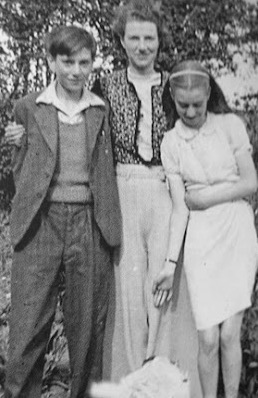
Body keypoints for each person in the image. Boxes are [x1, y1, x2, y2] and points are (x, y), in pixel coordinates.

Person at [4, 25, 121, 398]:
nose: (75, 70)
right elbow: (21, 166)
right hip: (41, 222)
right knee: (28, 325)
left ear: (92, 64)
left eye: (83, 62)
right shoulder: (29, 106)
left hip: (88, 222)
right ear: (51, 61)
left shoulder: (101, 110)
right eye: (66, 61)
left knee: (86, 326)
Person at [92, 1, 202, 396]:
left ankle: (167, 385)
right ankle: (127, 385)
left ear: (159, 41)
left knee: (166, 287)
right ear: (121, 41)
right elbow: (80, 128)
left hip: (166, 190)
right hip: (122, 189)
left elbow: (204, 124)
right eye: (134, 37)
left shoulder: (175, 84)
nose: (142, 46)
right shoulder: (105, 85)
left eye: (149, 38)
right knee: (127, 294)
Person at [153, 59, 258, 398]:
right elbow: (181, 207)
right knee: (208, 337)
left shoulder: (229, 125)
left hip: (236, 231)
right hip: (201, 239)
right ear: (172, 98)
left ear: (209, 93)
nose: (191, 111)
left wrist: (207, 197)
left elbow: (250, 183)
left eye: (197, 104)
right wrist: (170, 264)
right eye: (183, 105)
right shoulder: (171, 142)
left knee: (230, 335)